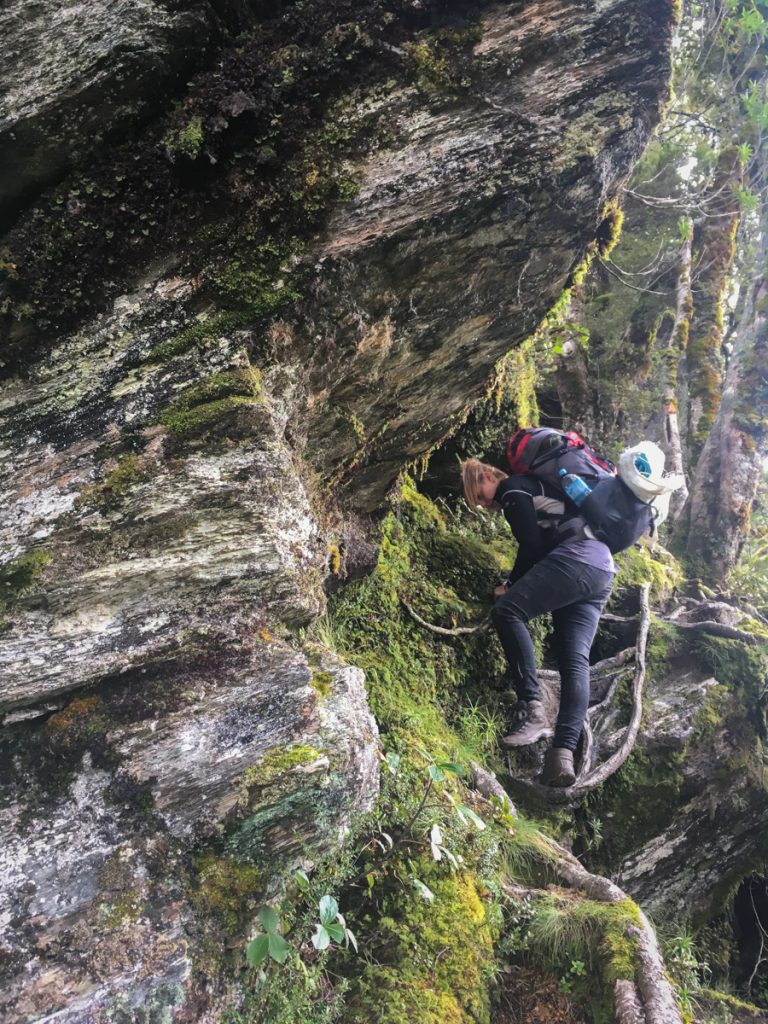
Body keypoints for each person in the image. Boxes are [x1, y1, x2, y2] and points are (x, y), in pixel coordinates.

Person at [461, 458, 616, 787]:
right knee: (575, 660)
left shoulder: (512, 489)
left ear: (489, 476)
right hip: (602, 568)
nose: (482, 504)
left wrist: (510, 585)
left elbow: (530, 544)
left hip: (576, 559)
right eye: (476, 502)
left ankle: (532, 709)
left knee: (507, 611)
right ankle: (563, 754)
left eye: (479, 494)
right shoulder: (538, 489)